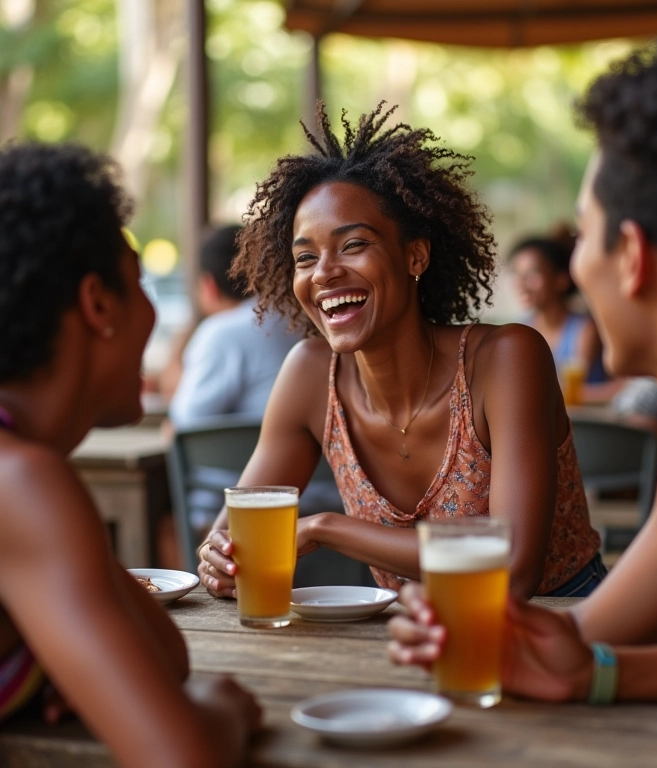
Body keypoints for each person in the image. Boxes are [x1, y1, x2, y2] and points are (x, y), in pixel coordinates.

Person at [388, 41, 657, 767]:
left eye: (585, 234)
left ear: (632, 258)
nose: (577, 265)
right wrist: (578, 667)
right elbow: (613, 641)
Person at [198, 103, 605, 601]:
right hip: (409, 636)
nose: (323, 272)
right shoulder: (309, 375)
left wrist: (326, 528)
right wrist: (220, 558)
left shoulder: (506, 359)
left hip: (561, 626)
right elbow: (235, 534)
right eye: (306, 257)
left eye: (352, 245)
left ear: (415, 255)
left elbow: (511, 569)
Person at [0, 141, 260, 767]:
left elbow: (166, 655)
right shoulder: (22, 482)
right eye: (140, 283)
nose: (153, 313)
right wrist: (226, 707)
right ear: (98, 304)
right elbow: (184, 755)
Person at [167, 224, 301, 429]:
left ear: (209, 286)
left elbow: (185, 423)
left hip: (246, 460)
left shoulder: (220, 332)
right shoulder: (295, 318)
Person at [505, 228, 618, 403]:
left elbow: (571, 390)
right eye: (518, 275)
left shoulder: (584, 329)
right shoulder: (522, 330)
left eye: (532, 274)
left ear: (561, 280)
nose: (522, 285)